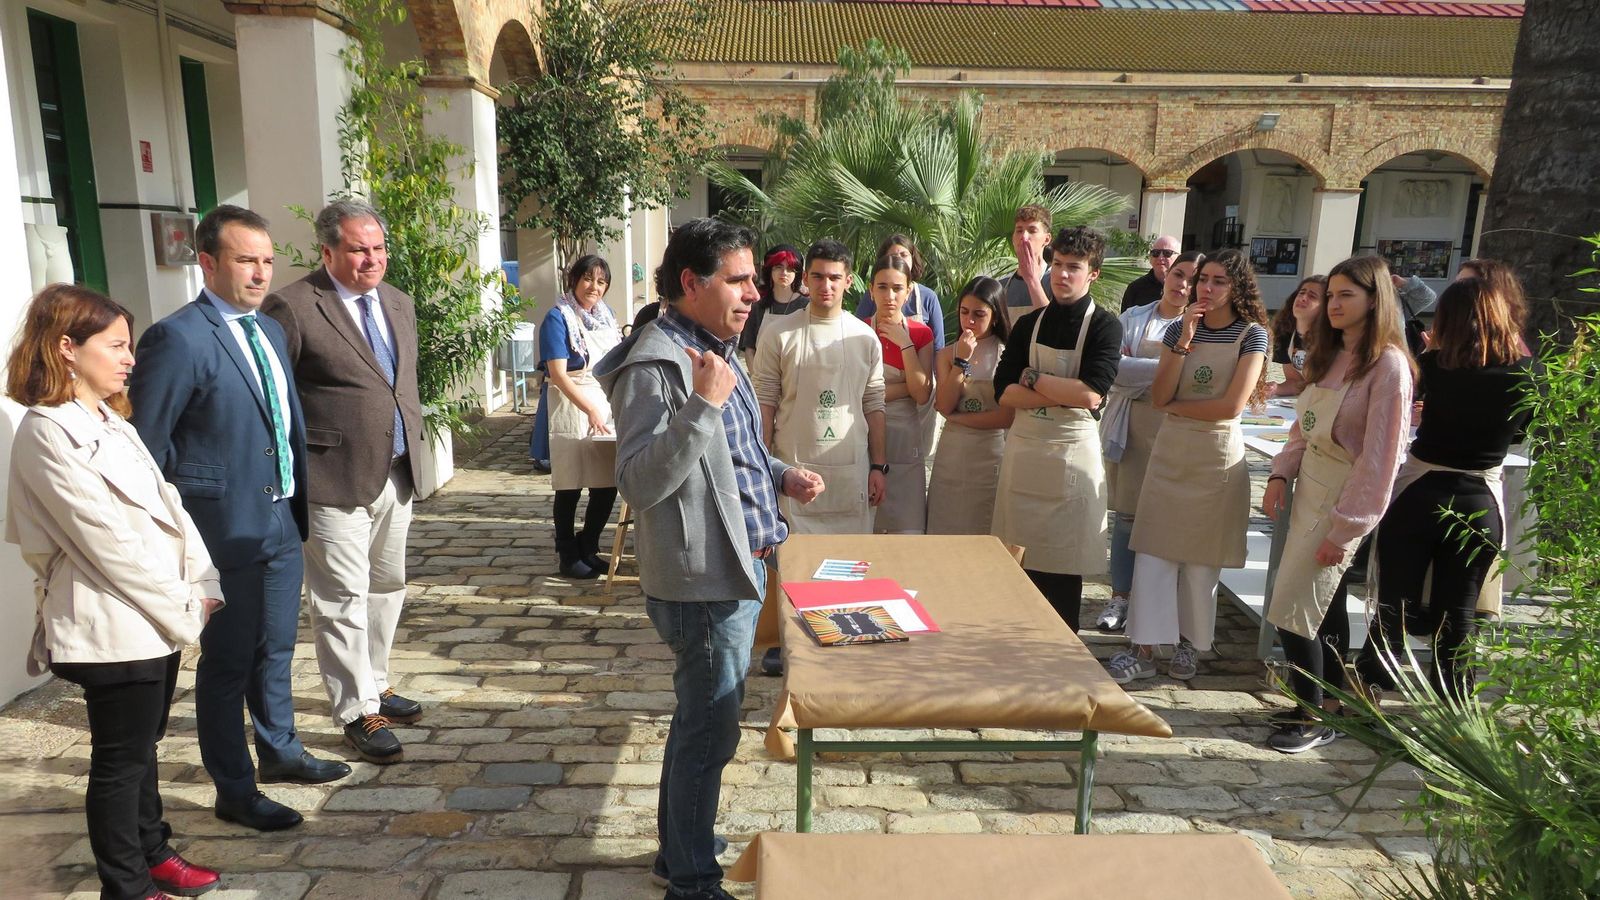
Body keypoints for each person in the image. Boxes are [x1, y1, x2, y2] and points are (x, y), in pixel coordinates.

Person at [596, 218, 824, 900]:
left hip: (740, 566)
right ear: (692, 283)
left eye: (754, 278)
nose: (755, 291)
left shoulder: (713, 346)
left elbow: (734, 454)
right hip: (703, 583)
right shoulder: (660, 363)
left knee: (700, 720)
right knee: (709, 729)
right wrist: (701, 405)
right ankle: (692, 880)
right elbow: (637, 481)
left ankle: (679, 849)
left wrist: (781, 475)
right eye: (739, 279)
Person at [129, 205, 350, 833]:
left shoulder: (271, 330)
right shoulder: (178, 337)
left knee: (276, 649)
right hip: (220, 529)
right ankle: (234, 785)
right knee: (227, 664)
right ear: (207, 262)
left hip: (280, 519)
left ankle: (280, 752)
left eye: (267, 261)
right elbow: (150, 445)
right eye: (245, 260)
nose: (260, 273)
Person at [6, 285, 224, 900]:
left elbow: (171, 508)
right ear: (67, 348)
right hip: (112, 620)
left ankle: (153, 852)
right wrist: (184, 610)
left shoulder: (111, 418)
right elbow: (103, 543)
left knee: (143, 750)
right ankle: (126, 886)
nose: (131, 358)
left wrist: (202, 582)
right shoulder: (47, 432)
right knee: (119, 760)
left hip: (157, 613)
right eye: (118, 346)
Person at [261, 199, 427, 767]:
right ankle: (357, 709)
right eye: (358, 249)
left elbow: (398, 384)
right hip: (332, 474)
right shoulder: (295, 306)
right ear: (327, 250)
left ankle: (375, 682)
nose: (371, 259)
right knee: (339, 599)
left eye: (378, 248)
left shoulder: (398, 303)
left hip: (396, 470)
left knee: (387, 586)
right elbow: (275, 395)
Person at [1261, 254, 1414, 753]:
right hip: (1309, 490)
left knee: (1291, 605)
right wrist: (1281, 473)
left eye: (1346, 295)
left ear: (1376, 300)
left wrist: (1345, 529)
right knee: (1319, 608)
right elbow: (1303, 427)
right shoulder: (1327, 356)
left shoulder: (1387, 365)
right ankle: (1323, 703)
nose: (1333, 304)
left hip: (1342, 498)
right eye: (1331, 295)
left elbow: (1380, 460)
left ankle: (1314, 717)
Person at [1355, 277, 1533, 702]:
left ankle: (1369, 692)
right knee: (1459, 614)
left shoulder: (1434, 364)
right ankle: (1455, 709)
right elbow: (1521, 432)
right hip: (1477, 496)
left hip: (1420, 490)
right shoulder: (1526, 372)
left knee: (1392, 607)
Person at [1109, 250, 1269, 682]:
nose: (1208, 288)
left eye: (1219, 281)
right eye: (1204, 280)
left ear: (1237, 287)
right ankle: (1142, 646)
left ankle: (1190, 643)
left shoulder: (1252, 335)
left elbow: (1231, 405)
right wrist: (1184, 341)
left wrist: (1181, 406)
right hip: (1170, 450)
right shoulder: (1180, 328)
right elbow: (1159, 397)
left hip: (1215, 456)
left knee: (1201, 560)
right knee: (1154, 552)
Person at [992, 226, 1123, 631]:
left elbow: (1090, 395)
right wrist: (1060, 391)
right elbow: (1002, 392)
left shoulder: (1105, 326)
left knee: (1063, 569)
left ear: (1093, 273)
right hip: (1026, 453)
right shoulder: (1029, 323)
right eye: (1058, 265)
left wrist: (1031, 377)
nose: (1063, 275)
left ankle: (1062, 654)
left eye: (1074, 268)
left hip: (1071, 456)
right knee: (1019, 564)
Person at [1094, 250, 1204, 633]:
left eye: (1193, 278)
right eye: (1178, 273)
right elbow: (1114, 372)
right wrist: (1170, 367)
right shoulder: (1135, 317)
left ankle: (1160, 601)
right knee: (1126, 517)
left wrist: (1153, 371)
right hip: (1134, 425)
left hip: (1177, 428)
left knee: (1168, 518)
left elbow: (1195, 378)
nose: (1182, 284)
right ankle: (1120, 596)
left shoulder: (1204, 329)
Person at [753, 238, 887, 535]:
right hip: (794, 475)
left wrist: (878, 467)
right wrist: (762, 467)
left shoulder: (864, 338)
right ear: (805, 279)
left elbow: (874, 404)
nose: (826, 285)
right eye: (818, 276)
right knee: (794, 571)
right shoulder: (778, 334)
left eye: (834, 278)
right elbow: (765, 402)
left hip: (851, 475)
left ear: (848, 281)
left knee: (850, 569)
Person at [541, 255, 624, 579]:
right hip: (570, 401)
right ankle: (567, 553)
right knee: (570, 484)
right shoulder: (557, 317)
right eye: (588, 279)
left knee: (606, 484)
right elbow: (558, 374)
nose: (594, 287)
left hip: (603, 401)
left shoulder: (607, 317)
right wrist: (588, 408)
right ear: (574, 280)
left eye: (601, 281)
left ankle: (589, 545)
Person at [926, 277, 1014, 535]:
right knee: (945, 523)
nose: (970, 321)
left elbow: (1005, 417)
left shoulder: (1008, 354)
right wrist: (961, 361)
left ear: (995, 316)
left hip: (991, 451)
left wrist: (958, 418)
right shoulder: (946, 355)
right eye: (964, 313)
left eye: (979, 314)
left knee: (985, 526)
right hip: (952, 452)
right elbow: (944, 403)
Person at [863, 254, 936, 534]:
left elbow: (920, 393)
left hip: (905, 439)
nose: (889, 295)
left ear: (909, 291)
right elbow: (856, 393)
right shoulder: (858, 332)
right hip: (865, 435)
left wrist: (905, 344)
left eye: (897, 288)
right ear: (871, 289)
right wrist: (903, 387)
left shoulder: (920, 334)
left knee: (908, 528)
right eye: (882, 287)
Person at [854, 234, 946, 349]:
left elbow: (938, 346)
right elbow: (857, 327)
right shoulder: (871, 295)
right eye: (893, 255)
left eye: (904, 255)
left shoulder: (928, 297)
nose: (890, 296)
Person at [737, 244, 808, 361]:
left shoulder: (807, 306)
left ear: (797, 274)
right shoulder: (757, 307)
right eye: (778, 267)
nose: (784, 273)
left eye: (790, 269)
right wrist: (758, 378)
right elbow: (749, 350)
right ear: (770, 270)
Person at [1267, 276, 1328, 399]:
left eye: (1312, 296)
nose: (1303, 298)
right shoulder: (1285, 335)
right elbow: (1296, 381)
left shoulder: (1332, 339)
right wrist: (1275, 388)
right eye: (1301, 293)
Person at [1002, 205, 1053, 315]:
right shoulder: (1001, 285)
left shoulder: (1055, 281)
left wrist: (1032, 281)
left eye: (1032, 230)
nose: (1024, 237)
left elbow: (1052, 325)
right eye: (1019, 230)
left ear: (1047, 239)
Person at [1120, 235, 1181, 312]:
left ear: (1179, 257)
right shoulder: (1135, 288)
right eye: (1156, 253)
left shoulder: (1184, 287)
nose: (1160, 257)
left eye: (1167, 253)